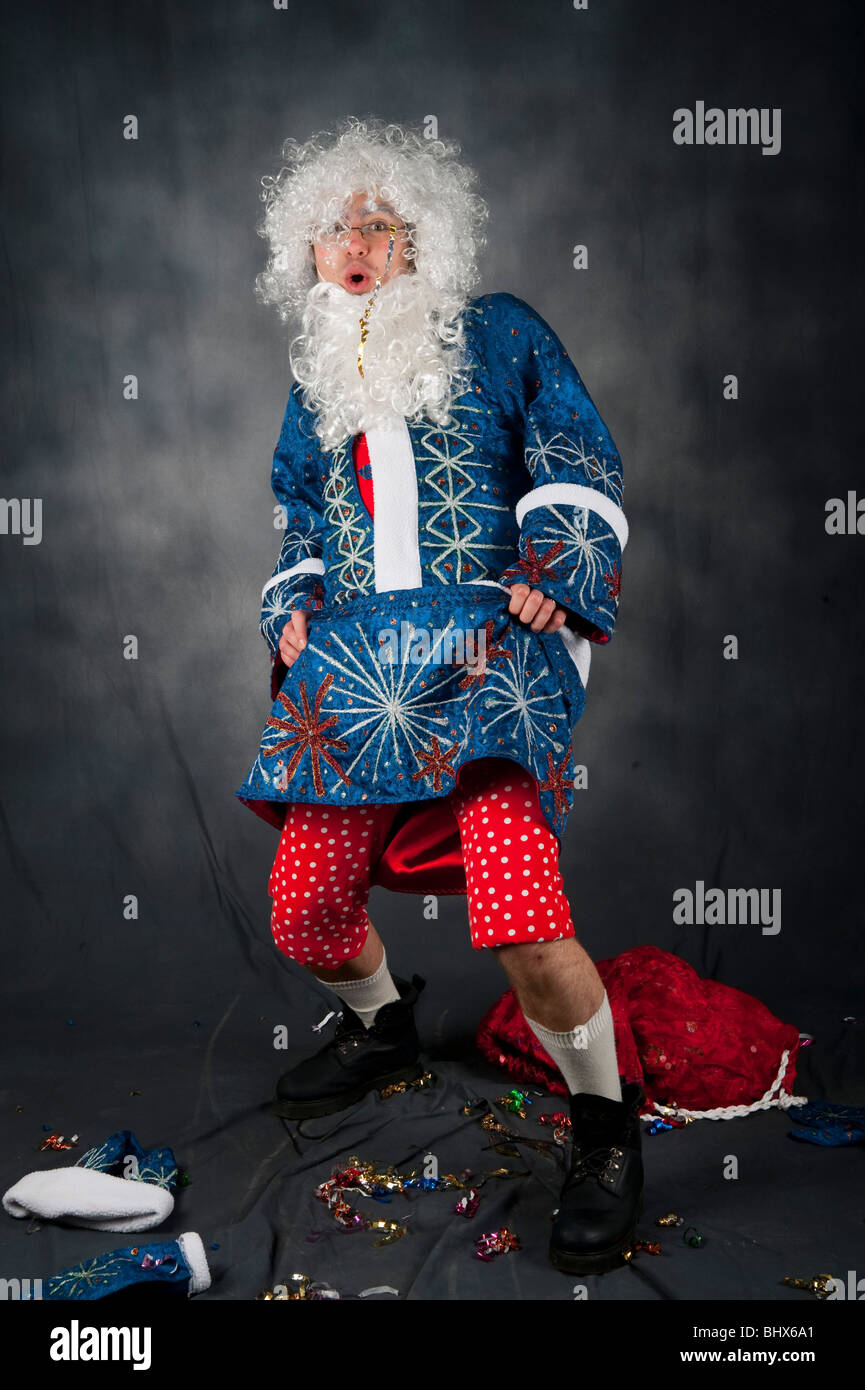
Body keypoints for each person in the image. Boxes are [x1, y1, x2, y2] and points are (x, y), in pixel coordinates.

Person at [235, 116, 642, 1274]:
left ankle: (604, 1129)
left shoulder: (501, 331)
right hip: (357, 669)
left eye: (379, 222)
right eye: (333, 226)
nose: (354, 242)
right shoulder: (314, 373)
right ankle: (380, 1026)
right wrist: (294, 603)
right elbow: (297, 515)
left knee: (517, 911)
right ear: (305, 251)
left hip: (483, 653)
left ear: (423, 239)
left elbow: (578, 451)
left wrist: (554, 567)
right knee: (302, 906)